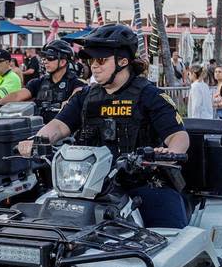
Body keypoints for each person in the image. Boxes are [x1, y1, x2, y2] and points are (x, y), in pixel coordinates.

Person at [17, 24, 190, 229]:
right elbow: (58, 125)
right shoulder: (85, 96)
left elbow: (178, 136)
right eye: (92, 60)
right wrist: (36, 140)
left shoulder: (150, 95)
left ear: (123, 61)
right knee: (43, 221)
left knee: (170, 236)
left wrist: (168, 152)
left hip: (141, 183)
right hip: (89, 186)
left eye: (101, 60)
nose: (94, 66)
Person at [0, 39, 86, 123]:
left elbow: (77, 94)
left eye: (50, 58)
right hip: (38, 130)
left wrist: (69, 103)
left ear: (63, 62)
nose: (45, 61)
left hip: (65, 135)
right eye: (44, 58)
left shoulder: (75, 83)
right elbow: (17, 95)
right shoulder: (38, 82)